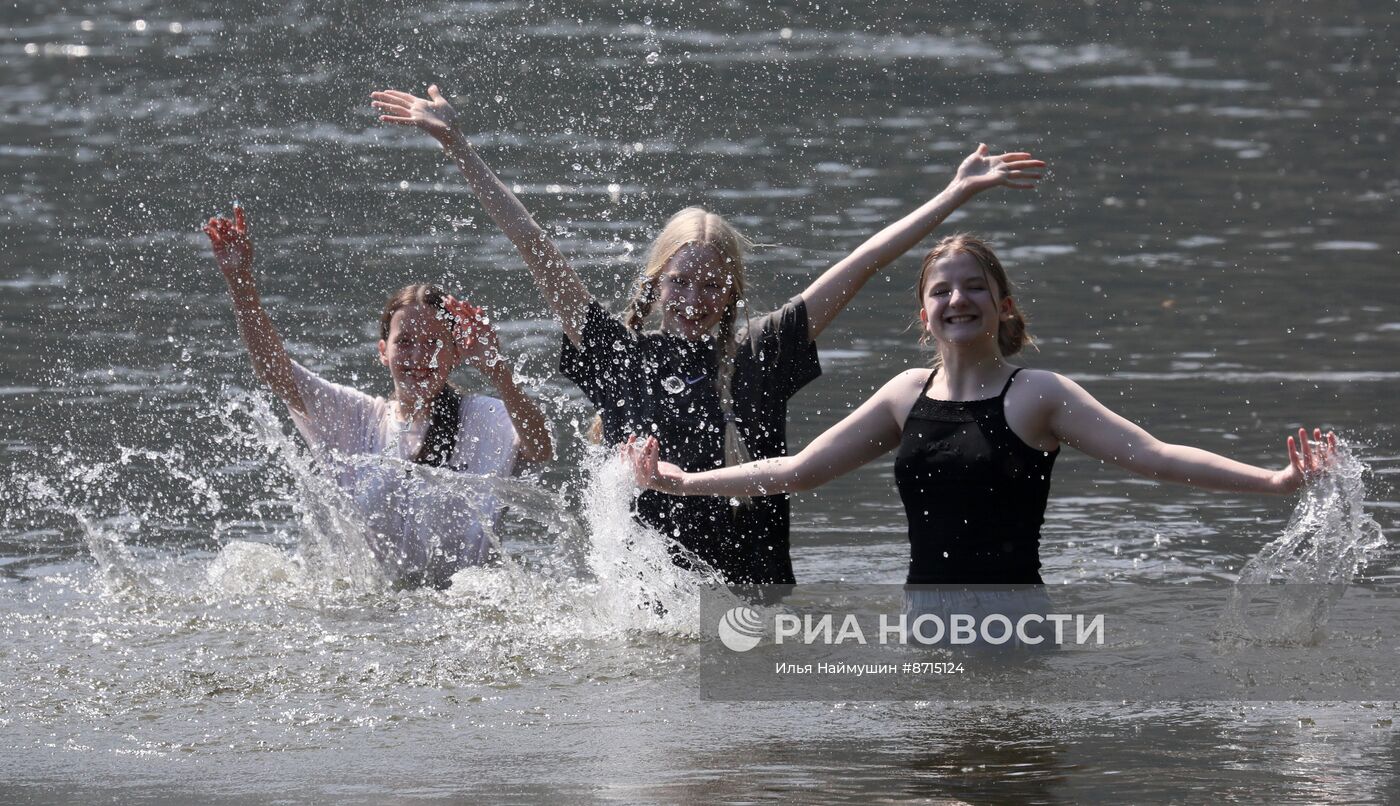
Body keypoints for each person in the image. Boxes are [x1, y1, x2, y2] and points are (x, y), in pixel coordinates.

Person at [370, 84, 1044, 584]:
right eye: (680, 283)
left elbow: (863, 263)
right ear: (654, 285)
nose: (694, 299)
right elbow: (534, 245)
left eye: (712, 285)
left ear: (733, 294)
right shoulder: (616, 353)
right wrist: (457, 147)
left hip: (751, 602)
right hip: (646, 610)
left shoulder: (759, 353)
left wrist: (954, 195)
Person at [621, 234, 1338, 589]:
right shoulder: (906, 395)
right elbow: (801, 471)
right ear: (924, 314)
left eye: (973, 288)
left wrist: (1272, 482)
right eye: (942, 291)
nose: (957, 300)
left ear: (1003, 306)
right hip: (925, 624)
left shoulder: (1038, 395)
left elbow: (1152, 456)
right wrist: (682, 483)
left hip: (1012, 625)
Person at [203, 205, 552, 588]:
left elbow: (540, 447)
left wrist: (499, 371)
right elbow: (275, 370)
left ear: (455, 354)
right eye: (405, 343)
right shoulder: (358, 418)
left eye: (433, 344)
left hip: (463, 610)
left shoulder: (484, 417)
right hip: (380, 616)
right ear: (382, 350)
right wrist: (240, 281)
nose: (419, 358)